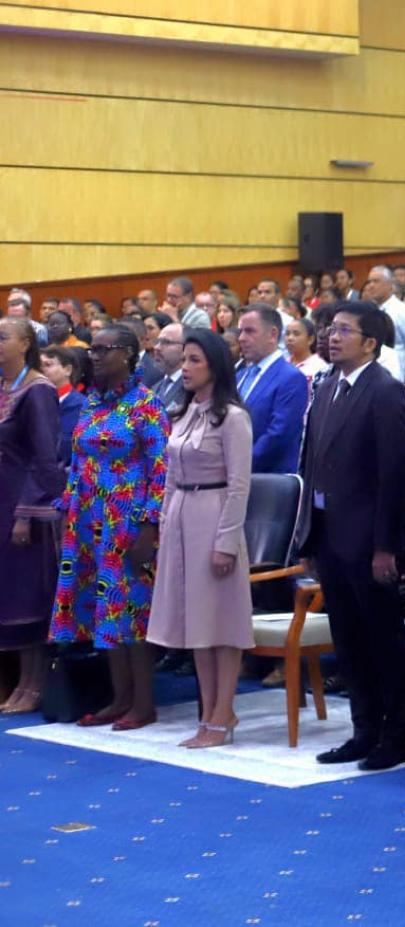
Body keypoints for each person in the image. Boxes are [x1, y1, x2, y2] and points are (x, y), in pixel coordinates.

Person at [300, 302, 405, 771]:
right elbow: (311, 466)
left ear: (371, 342)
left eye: (344, 331)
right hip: (330, 535)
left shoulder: (385, 391)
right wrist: (308, 539)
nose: (332, 336)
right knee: (348, 638)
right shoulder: (326, 385)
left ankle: (396, 734)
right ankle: (363, 728)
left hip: (368, 540)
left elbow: (395, 475)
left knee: (382, 639)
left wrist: (387, 546)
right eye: (330, 329)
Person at [50, 325, 169, 730]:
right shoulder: (91, 403)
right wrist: (68, 508)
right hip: (89, 519)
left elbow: (161, 469)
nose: (96, 356)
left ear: (130, 354)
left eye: (105, 349)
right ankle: (119, 698)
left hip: (128, 519)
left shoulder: (147, 405)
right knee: (105, 610)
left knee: (133, 609)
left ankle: (144, 703)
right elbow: (78, 460)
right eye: (93, 350)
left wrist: (150, 526)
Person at [146, 331, 253, 748]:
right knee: (195, 622)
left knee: (220, 622)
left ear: (214, 366)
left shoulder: (233, 417)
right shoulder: (185, 411)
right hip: (182, 518)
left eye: (194, 360)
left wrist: (226, 541)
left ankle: (223, 711)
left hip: (214, 515)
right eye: (184, 360)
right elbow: (171, 475)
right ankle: (207, 712)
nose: (185, 368)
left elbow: (240, 485)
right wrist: (164, 524)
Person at [0, 319, 65, 714]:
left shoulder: (38, 390)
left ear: (26, 344)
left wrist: (26, 512)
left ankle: (33, 683)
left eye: (3, 337)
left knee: (27, 596)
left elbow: (45, 459)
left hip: (24, 508)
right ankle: (9, 680)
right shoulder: (4, 387)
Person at [234, 306, 308, 474]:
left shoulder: (291, 378)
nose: (242, 338)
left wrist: (236, 467)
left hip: (268, 482)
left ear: (273, 334)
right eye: (241, 332)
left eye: (250, 331)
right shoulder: (239, 375)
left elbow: (278, 435)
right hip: (232, 479)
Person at [40, 345, 88, 465]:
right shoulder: (31, 403)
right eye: (38, 366)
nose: (41, 370)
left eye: (47, 365)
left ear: (67, 370)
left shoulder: (84, 408)